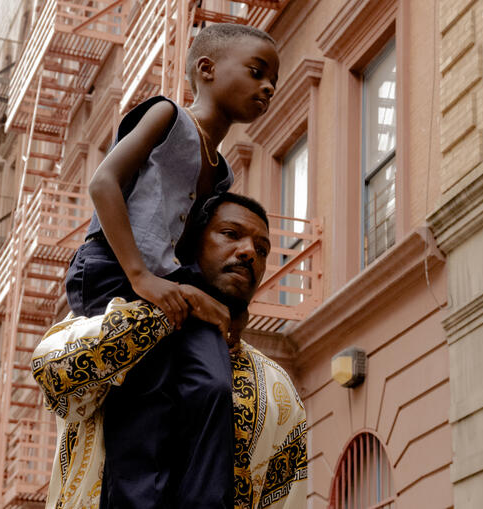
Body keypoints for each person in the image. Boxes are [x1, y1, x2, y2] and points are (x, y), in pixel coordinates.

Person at [62, 22, 280, 508]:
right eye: (257, 71)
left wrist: (223, 306)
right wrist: (141, 278)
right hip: (114, 266)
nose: (268, 86)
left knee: (214, 383)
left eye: (274, 81)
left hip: (168, 278)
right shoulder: (167, 115)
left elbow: (189, 252)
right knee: (151, 388)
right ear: (206, 69)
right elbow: (103, 184)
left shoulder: (221, 171)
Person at [34, 194, 307, 508]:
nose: (248, 252)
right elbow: (52, 373)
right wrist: (176, 306)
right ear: (189, 243)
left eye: (262, 249)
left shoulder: (278, 389)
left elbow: (285, 500)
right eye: (231, 234)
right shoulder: (112, 321)